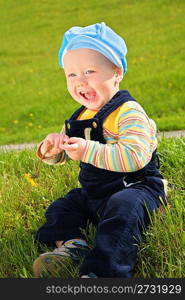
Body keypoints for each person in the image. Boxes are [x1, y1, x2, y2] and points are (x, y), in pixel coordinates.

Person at [33, 22, 167, 278]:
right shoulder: (83, 114)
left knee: (122, 216)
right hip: (95, 193)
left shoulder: (129, 112)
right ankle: (72, 246)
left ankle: (102, 274)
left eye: (89, 71)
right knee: (61, 209)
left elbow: (136, 157)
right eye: (71, 75)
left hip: (134, 188)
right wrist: (51, 148)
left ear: (117, 72)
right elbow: (67, 150)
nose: (80, 81)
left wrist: (87, 151)